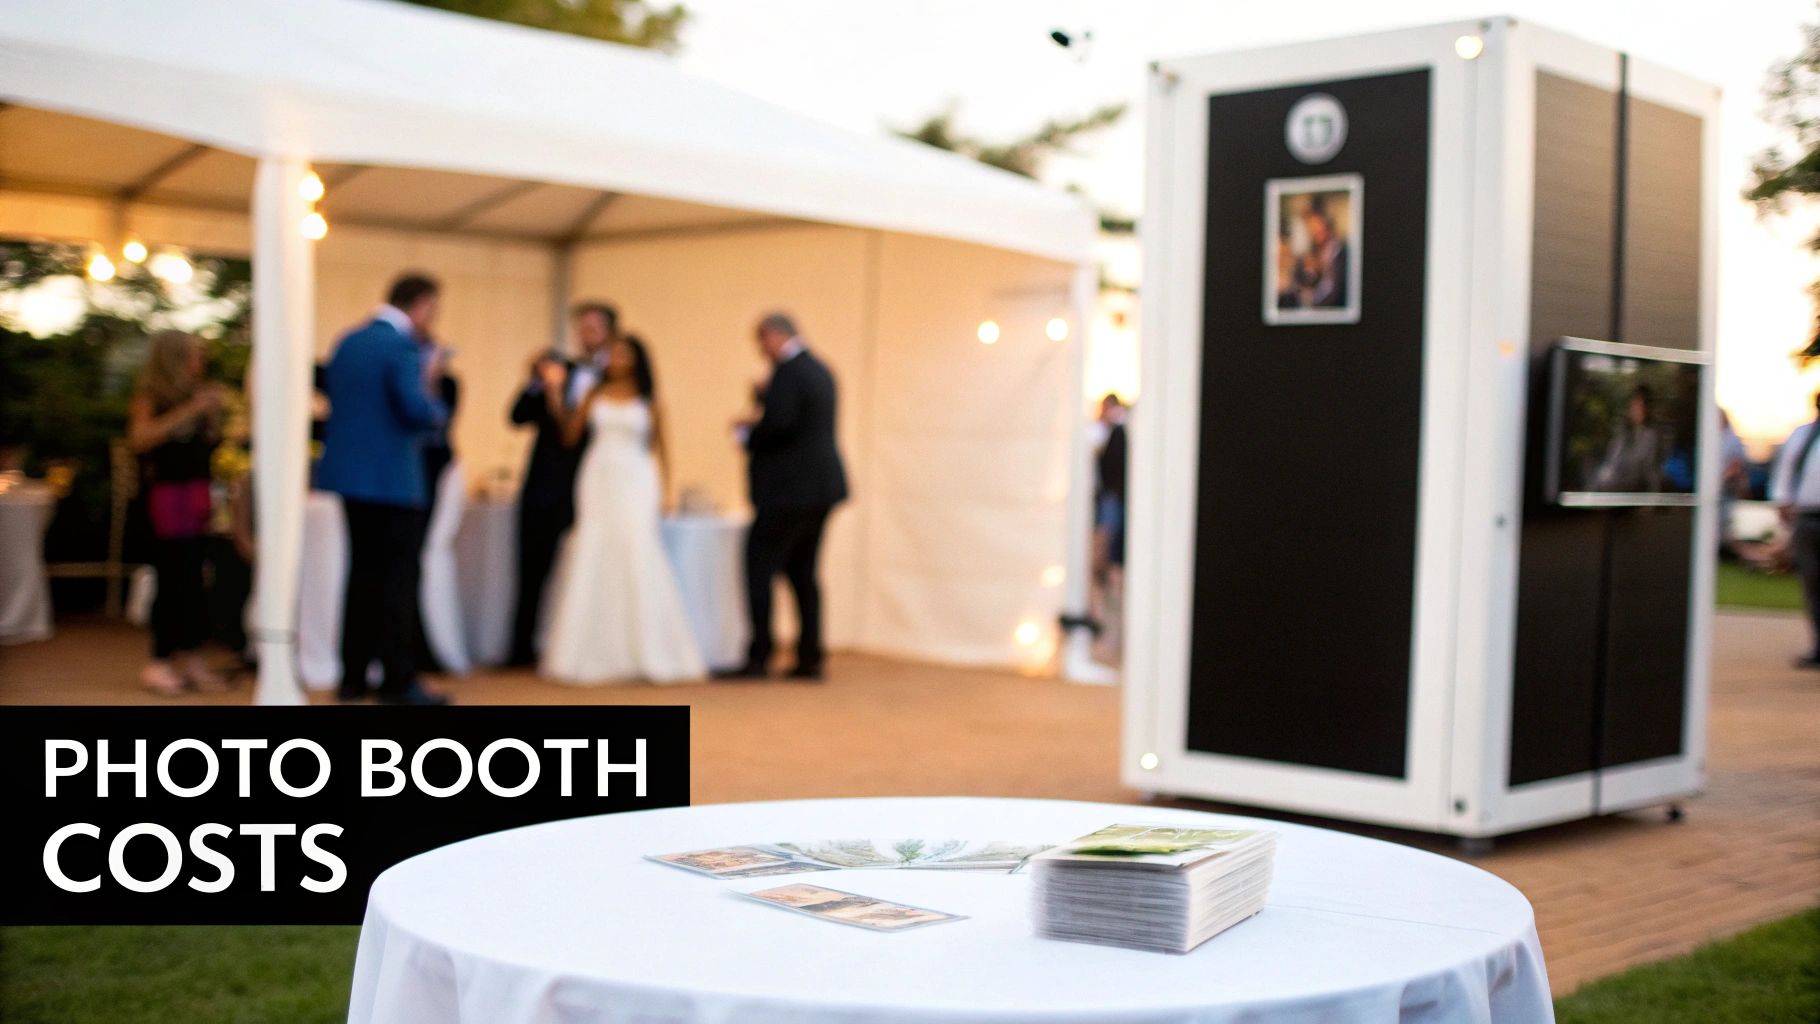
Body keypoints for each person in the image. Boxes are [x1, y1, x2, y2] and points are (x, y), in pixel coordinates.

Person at [315, 273, 451, 705]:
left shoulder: (348, 341)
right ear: (423, 305)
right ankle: (398, 680)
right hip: (393, 480)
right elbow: (415, 410)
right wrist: (433, 388)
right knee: (398, 580)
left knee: (361, 575)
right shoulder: (402, 346)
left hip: (349, 477)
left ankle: (352, 675)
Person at [538, 333, 705, 684]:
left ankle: (647, 647)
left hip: (636, 476)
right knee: (595, 548)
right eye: (611, 354)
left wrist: (667, 490)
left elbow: (661, 446)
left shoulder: (649, 399)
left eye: (623, 354)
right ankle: (589, 650)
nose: (615, 360)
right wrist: (554, 393)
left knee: (636, 548)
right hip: (599, 474)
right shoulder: (594, 395)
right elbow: (570, 436)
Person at [717, 312, 848, 682]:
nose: (761, 350)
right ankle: (810, 656)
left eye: (762, 341)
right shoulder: (819, 369)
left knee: (758, 567)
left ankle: (759, 655)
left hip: (789, 492)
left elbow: (779, 425)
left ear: (775, 336)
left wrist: (748, 431)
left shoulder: (788, 373)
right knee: (803, 572)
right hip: (820, 489)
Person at [507, 302, 617, 667]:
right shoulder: (558, 371)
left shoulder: (619, 380)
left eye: (593, 328)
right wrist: (539, 381)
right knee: (532, 568)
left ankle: (583, 646)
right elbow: (517, 415)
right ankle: (521, 647)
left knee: (587, 569)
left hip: (594, 485)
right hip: (544, 484)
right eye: (581, 327)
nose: (585, 334)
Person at [126, 330, 230, 697]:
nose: (199, 362)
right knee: (172, 578)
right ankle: (159, 661)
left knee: (195, 579)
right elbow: (140, 439)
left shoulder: (196, 394)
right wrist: (190, 411)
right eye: (193, 355)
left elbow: (210, 446)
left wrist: (212, 416)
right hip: (167, 499)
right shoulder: (153, 397)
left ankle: (191, 659)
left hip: (198, 496)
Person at [1772, 393, 1820, 669]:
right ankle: (1818, 647)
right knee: (1812, 582)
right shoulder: (1803, 436)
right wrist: (1783, 499)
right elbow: (1786, 469)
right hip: (1807, 516)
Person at [1593, 384, 1665, 493]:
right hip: (1613, 488)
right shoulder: (1622, 432)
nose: (1640, 410)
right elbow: (1611, 462)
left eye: (1643, 405)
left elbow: (1652, 470)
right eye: (1636, 405)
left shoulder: (1653, 435)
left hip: (1635, 491)